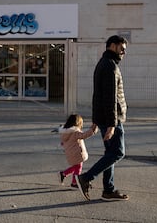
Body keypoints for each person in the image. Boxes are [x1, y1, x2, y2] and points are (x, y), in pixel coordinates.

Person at [75, 35, 129, 201]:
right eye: (122, 49)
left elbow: (97, 95)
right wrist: (112, 124)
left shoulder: (102, 64)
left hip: (105, 118)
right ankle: (86, 178)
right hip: (112, 119)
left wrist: (96, 120)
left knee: (110, 153)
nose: (123, 53)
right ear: (112, 46)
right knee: (118, 152)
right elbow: (110, 97)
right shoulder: (110, 66)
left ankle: (108, 190)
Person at [57, 114, 98, 188]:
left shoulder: (65, 132)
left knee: (76, 167)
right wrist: (92, 130)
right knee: (78, 167)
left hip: (70, 153)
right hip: (77, 153)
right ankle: (74, 182)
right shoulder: (75, 132)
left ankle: (63, 174)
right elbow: (84, 135)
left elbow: (63, 142)